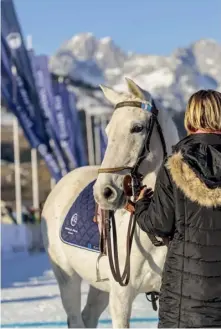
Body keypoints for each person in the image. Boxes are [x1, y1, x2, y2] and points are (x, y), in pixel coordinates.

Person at [134, 90, 221, 328]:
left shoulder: (175, 166)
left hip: (186, 299)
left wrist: (141, 204)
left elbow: (158, 223)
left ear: (190, 117)